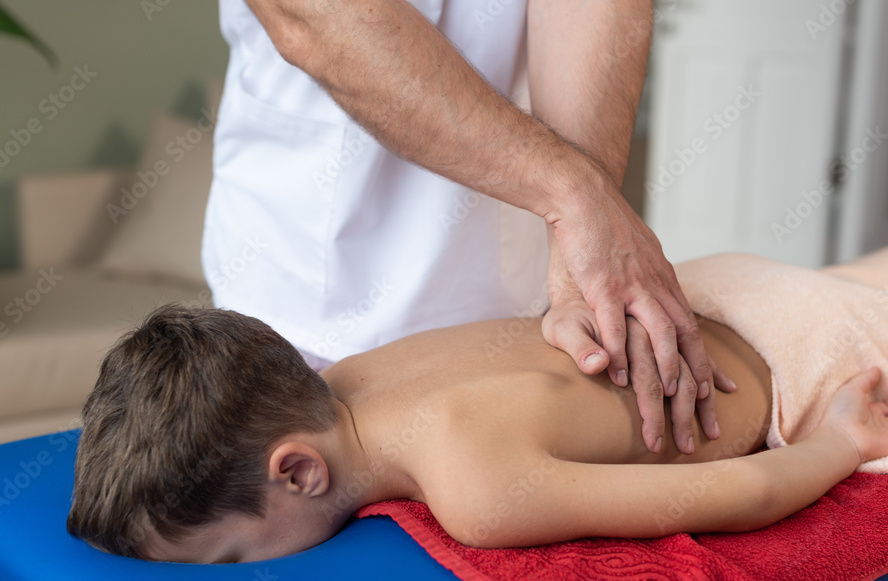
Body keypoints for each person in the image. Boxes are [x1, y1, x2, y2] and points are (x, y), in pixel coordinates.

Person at [67, 234, 888, 563]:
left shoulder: (477, 492)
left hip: (799, 364)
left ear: (297, 472)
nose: (230, 580)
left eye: (229, 561)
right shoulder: (348, 372)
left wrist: (842, 442)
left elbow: (743, 491)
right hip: (716, 288)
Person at [204, 0, 732, 458]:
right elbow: (316, 18)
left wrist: (581, 259)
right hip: (300, 293)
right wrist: (577, 198)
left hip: (511, 322)